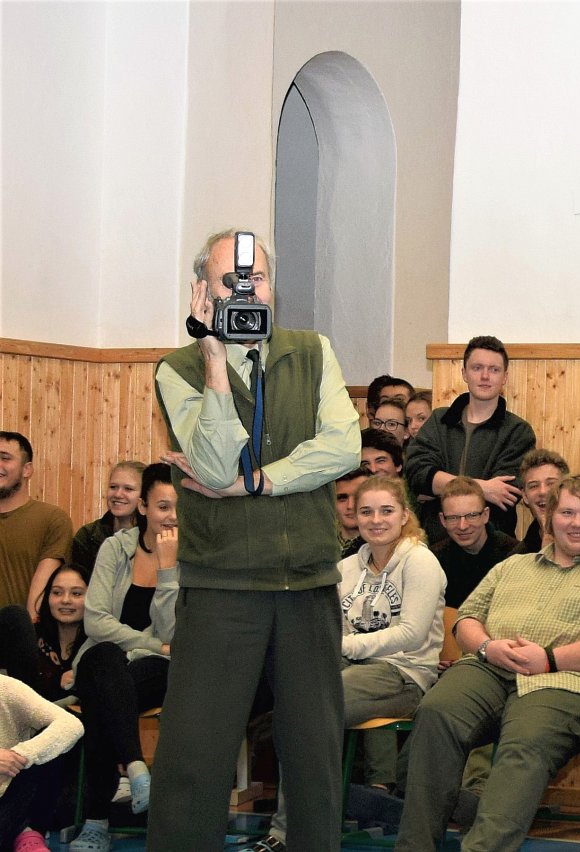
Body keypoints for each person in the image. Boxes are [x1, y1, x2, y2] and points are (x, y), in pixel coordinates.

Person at [148, 228, 361, 851]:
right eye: (230, 282)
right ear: (202, 291)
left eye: (257, 279)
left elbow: (343, 447)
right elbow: (214, 467)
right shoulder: (177, 368)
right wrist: (214, 357)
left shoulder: (313, 351)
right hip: (222, 586)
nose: (247, 293)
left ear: (273, 286)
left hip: (306, 584)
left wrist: (260, 482)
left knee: (315, 758)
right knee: (194, 755)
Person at [395, 474, 580, 852]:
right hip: (489, 667)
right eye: (567, 513)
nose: (577, 523)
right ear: (549, 518)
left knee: (526, 740)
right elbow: (466, 619)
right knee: (437, 712)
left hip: (568, 680)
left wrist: (549, 659)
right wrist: (486, 647)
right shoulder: (512, 566)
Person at [257, 475, 446, 851]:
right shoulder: (346, 568)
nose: (376, 520)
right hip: (351, 668)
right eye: (366, 511)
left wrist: (343, 647)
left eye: (386, 511)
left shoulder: (420, 561)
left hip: (402, 674)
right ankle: (298, 828)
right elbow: (332, 631)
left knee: (311, 710)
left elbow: (411, 634)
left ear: (404, 514)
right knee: (296, 707)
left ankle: (289, 833)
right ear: (354, 516)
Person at [67, 463, 180, 851]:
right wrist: (149, 644)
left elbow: (173, 634)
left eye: (179, 507)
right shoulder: (115, 548)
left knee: (103, 697)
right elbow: (96, 621)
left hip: (155, 669)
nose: (172, 517)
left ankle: (96, 822)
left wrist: (168, 570)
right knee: (104, 662)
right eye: (163, 506)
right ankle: (136, 766)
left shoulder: (190, 557)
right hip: (107, 658)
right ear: (143, 507)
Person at [404, 336, 536, 545]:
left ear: (504, 377)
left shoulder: (518, 431)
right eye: (477, 368)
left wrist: (439, 486)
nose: (485, 376)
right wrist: (483, 488)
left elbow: (505, 495)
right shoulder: (439, 420)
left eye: (494, 369)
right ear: (464, 373)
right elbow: (417, 473)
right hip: (435, 542)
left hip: (492, 546)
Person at [0, 674, 83, 852]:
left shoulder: (6, 687)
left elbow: (71, 725)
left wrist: (20, 754)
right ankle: (24, 832)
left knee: (53, 742)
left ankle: (29, 833)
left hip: (11, 801)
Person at [0, 432, 73, 619]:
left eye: (5, 458)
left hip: (23, 632)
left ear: (27, 469)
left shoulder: (52, 519)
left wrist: (29, 630)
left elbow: (38, 600)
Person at [0, 565, 89, 704]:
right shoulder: (27, 635)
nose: (65, 600)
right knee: (15, 615)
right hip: (22, 708)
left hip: (72, 715)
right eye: (57, 592)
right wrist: (57, 683)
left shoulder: (97, 644)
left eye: (76, 594)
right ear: (47, 596)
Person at [430, 476, 517, 609]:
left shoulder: (513, 556)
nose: (462, 526)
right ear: (443, 520)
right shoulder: (434, 560)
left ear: (486, 515)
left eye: (472, 516)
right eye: (453, 518)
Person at [69, 461, 145, 579]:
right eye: (113, 487)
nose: (118, 494)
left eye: (128, 489)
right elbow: (78, 583)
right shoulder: (88, 536)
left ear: (144, 496)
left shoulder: (153, 537)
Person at [336, 466, 372, 558]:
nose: (350, 506)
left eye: (358, 497)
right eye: (342, 498)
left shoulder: (391, 546)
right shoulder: (317, 543)